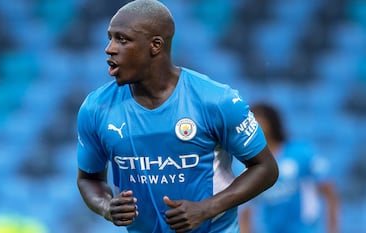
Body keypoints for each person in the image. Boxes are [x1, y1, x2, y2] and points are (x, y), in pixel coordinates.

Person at [75, 1, 279, 232]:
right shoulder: (96, 108)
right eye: (110, 38)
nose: (109, 48)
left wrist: (206, 209)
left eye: (122, 39)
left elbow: (266, 168)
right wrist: (106, 206)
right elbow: (89, 178)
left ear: (155, 45)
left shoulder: (216, 101)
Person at [237, 103, 339, 233]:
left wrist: (333, 229)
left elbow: (329, 190)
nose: (251, 125)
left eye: (255, 119)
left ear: (271, 122)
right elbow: (246, 212)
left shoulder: (300, 152)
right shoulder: (248, 164)